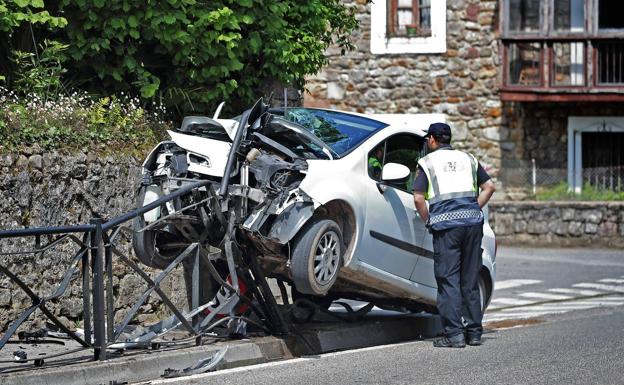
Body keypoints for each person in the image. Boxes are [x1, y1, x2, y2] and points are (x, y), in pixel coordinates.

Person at [413, 122, 496, 348]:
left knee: (448, 280)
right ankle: (474, 333)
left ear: (431, 140)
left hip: (446, 228)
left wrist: (428, 219)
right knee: (469, 279)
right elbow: (489, 187)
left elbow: (419, 198)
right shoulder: (469, 159)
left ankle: (454, 335)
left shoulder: (427, 163)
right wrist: (473, 209)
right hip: (472, 225)